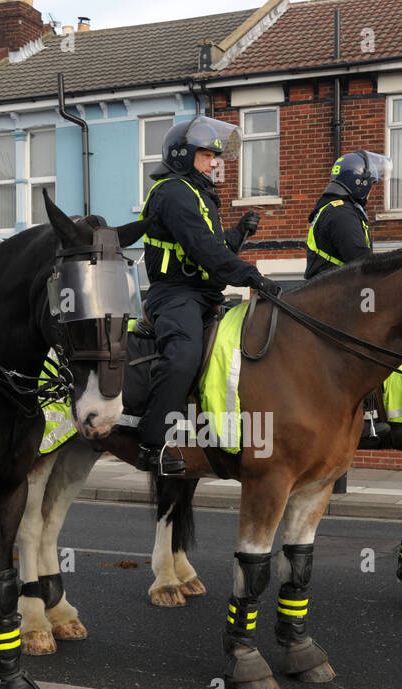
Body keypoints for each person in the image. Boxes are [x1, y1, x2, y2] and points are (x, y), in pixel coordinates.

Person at [136, 115, 281, 475]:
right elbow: (203, 251)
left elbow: (210, 246)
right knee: (183, 355)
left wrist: (237, 234)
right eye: (207, 155)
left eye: (215, 156)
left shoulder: (197, 193)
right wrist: (252, 277)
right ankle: (151, 444)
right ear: (184, 155)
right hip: (175, 295)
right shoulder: (171, 193)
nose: (215, 162)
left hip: (203, 293)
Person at [305, 150, 392, 445]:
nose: (372, 188)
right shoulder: (341, 213)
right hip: (333, 298)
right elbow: (362, 262)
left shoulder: (339, 208)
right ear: (358, 183)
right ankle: (367, 413)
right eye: (370, 183)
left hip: (334, 293)